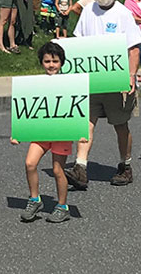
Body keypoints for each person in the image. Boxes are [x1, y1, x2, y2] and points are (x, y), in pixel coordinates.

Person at [64, 0, 141, 189]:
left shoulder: (123, 14)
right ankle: (80, 168)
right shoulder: (88, 11)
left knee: (120, 125)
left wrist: (131, 75)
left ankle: (125, 166)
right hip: (92, 80)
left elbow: (134, 49)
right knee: (86, 123)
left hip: (117, 81)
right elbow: (78, 43)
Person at [11, 41, 88, 223]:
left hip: (61, 134)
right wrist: (18, 133)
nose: (51, 65)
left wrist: (81, 132)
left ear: (62, 62)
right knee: (30, 163)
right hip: (41, 132)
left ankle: (62, 206)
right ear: (41, 63)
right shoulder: (35, 84)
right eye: (47, 61)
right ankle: (34, 200)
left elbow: (77, 108)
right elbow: (27, 109)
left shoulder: (70, 84)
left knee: (57, 170)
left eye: (55, 61)